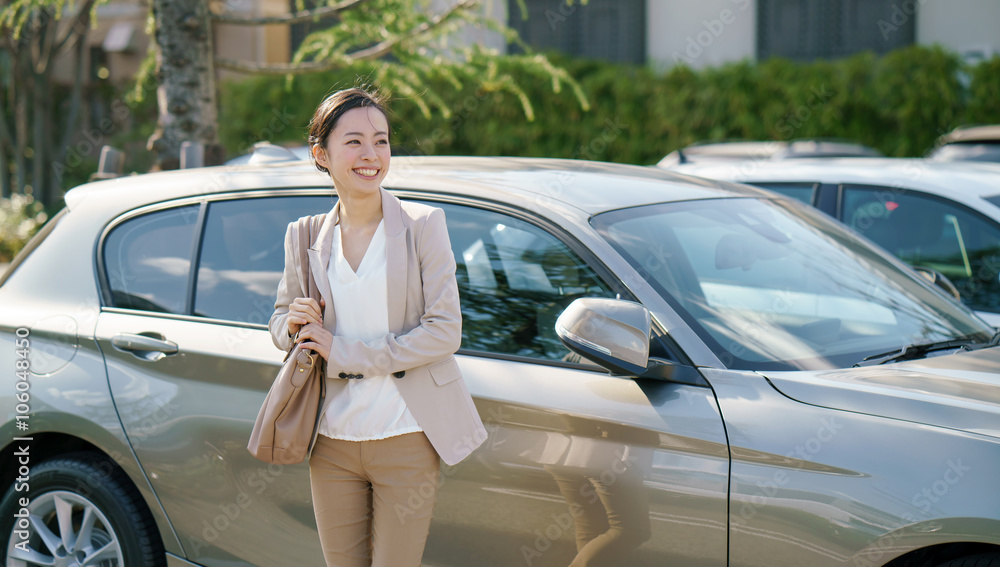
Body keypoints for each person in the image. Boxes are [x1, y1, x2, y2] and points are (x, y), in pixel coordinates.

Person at [268, 86, 487, 567]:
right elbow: (281, 323)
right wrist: (294, 324)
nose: (371, 155)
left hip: (404, 436)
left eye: (382, 141)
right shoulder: (304, 235)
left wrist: (346, 354)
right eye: (354, 142)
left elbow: (445, 331)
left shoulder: (423, 225)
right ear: (321, 154)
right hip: (331, 441)